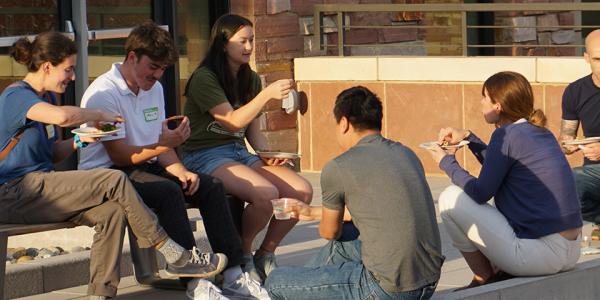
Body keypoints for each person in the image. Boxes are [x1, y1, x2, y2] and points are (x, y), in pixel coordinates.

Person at [0, 32, 226, 300]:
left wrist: (80, 140)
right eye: (69, 69)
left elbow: (49, 153)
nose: (72, 76)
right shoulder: (16, 96)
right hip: (14, 192)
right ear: (47, 66)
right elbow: (63, 117)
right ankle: (172, 253)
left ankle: (101, 294)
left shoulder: (45, 99)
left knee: (112, 212)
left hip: (40, 191)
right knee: (113, 179)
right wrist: (98, 115)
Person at [77, 22, 268, 299]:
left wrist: (179, 169)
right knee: (167, 192)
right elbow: (119, 155)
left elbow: (160, 140)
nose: (157, 75)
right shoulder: (104, 94)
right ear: (132, 57)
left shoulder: (153, 87)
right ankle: (194, 282)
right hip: (108, 174)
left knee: (210, 186)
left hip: (144, 164)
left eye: (163, 69)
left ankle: (232, 273)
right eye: (153, 67)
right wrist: (164, 146)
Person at [264, 86, 443, 299]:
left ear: (344, 123)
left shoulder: (338, 167)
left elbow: (329, 232)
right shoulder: (406, 153)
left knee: (276, 281)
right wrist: (311, 212)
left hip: (386, 289)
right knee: (341, 246)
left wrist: (326, 217)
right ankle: (307, 287)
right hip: (428, 280)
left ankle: (301, 287)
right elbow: (374, 210)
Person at [181, 14, 312, 282]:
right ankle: (243, 253)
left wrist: (267, 154)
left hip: (238, 152)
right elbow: (231, 122)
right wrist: (266, 95)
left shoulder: (250, 79)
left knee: (302, 191)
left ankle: (265, 253)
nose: (249, 47)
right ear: (222, 44)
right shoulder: (204, 78)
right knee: (266, 195)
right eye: (242, 41)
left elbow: (250, 129)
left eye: (252, 40)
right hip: (202, 156)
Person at [427, 71, 582, 290]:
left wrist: (446, 162)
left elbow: (481, 192)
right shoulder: (539, 132)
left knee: (450, 198)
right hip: (570, 252)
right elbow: (500, 164)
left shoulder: (506, 135)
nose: (481, 102)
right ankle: (494, 272)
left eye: (484, 97)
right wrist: (469, 138)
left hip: (540, 255)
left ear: (497, 106)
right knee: (496, 198)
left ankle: (484, 276)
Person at [560, 29, 600, 240]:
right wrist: (571, 145)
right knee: (561, 182)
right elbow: (565, 139)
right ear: (586, 58)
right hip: (592, 172)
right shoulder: (575, 92)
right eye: (598, 59)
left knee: (575, 179)